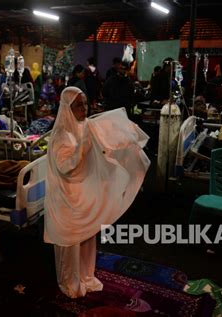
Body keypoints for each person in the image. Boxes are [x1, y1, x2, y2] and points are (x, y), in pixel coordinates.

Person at [45, 86, 150, 298]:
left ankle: (85, 276)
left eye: (85, 103)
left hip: (83, 194)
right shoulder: (61, 136)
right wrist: (84, 145)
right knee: (71, 242)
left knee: (86, 236)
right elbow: (66, 166)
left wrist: (126, 134)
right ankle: (70, 282)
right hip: (67, 198)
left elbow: (107, 135)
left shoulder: (85, 126)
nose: (84, 108)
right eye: (78, 105)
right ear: (67, 108)